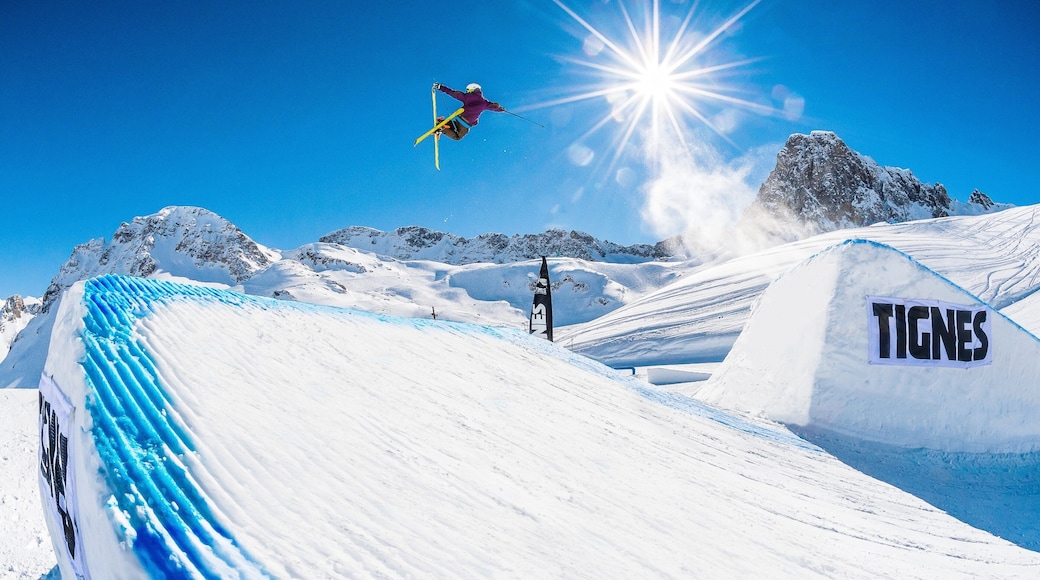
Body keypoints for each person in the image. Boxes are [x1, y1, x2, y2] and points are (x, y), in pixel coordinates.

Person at [434, 82, 505, 140]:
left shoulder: (467, 97)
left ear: (471, 90)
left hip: (460, 117)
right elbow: (493, 107)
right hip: (466, 123)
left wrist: (440, 87)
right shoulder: (484, 102)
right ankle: (442, 128)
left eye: (467, 90)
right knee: (458, 137)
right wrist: (501, 109)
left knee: (455, 126)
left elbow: (453, 93)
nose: (467, 92)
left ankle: (442, 123)